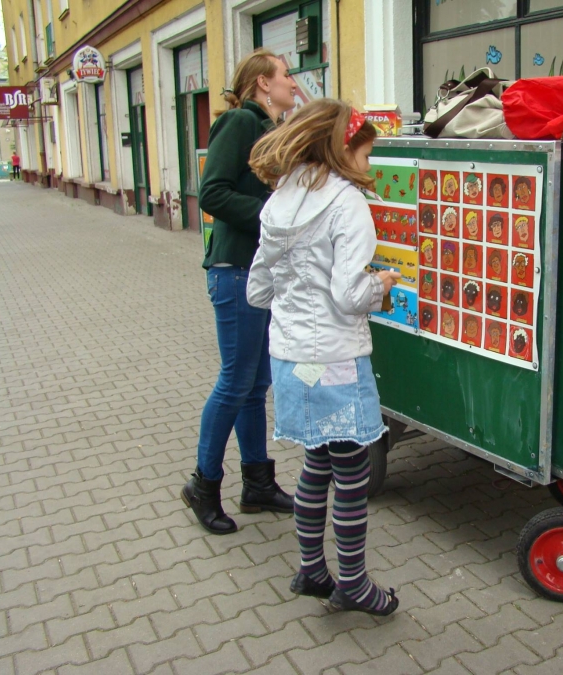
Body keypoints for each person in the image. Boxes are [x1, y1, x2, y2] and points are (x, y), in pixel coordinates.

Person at [247, 99, 401, 616]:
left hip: (294, 360)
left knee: (318, 460)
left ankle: (311, 568)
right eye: (367, 153)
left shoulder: (279, 201)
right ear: (342, 149)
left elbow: (257, 290)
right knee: (352, 470)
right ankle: (353, 583)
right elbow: (348, 296)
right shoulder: (346, 204)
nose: (369, 165)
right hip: (334, 360)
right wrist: (381, 283)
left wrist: (296, 290)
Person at [181, 48, 298, 535]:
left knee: (255, 385)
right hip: (235, 272)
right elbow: (212, 192)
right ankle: (203, 484)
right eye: (286, 75)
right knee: (235, 381)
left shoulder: (271, 129)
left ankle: (257, 484)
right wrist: (273, 216)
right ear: (262, 83)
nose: (294, 82)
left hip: (260, 274)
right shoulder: (239, 122)